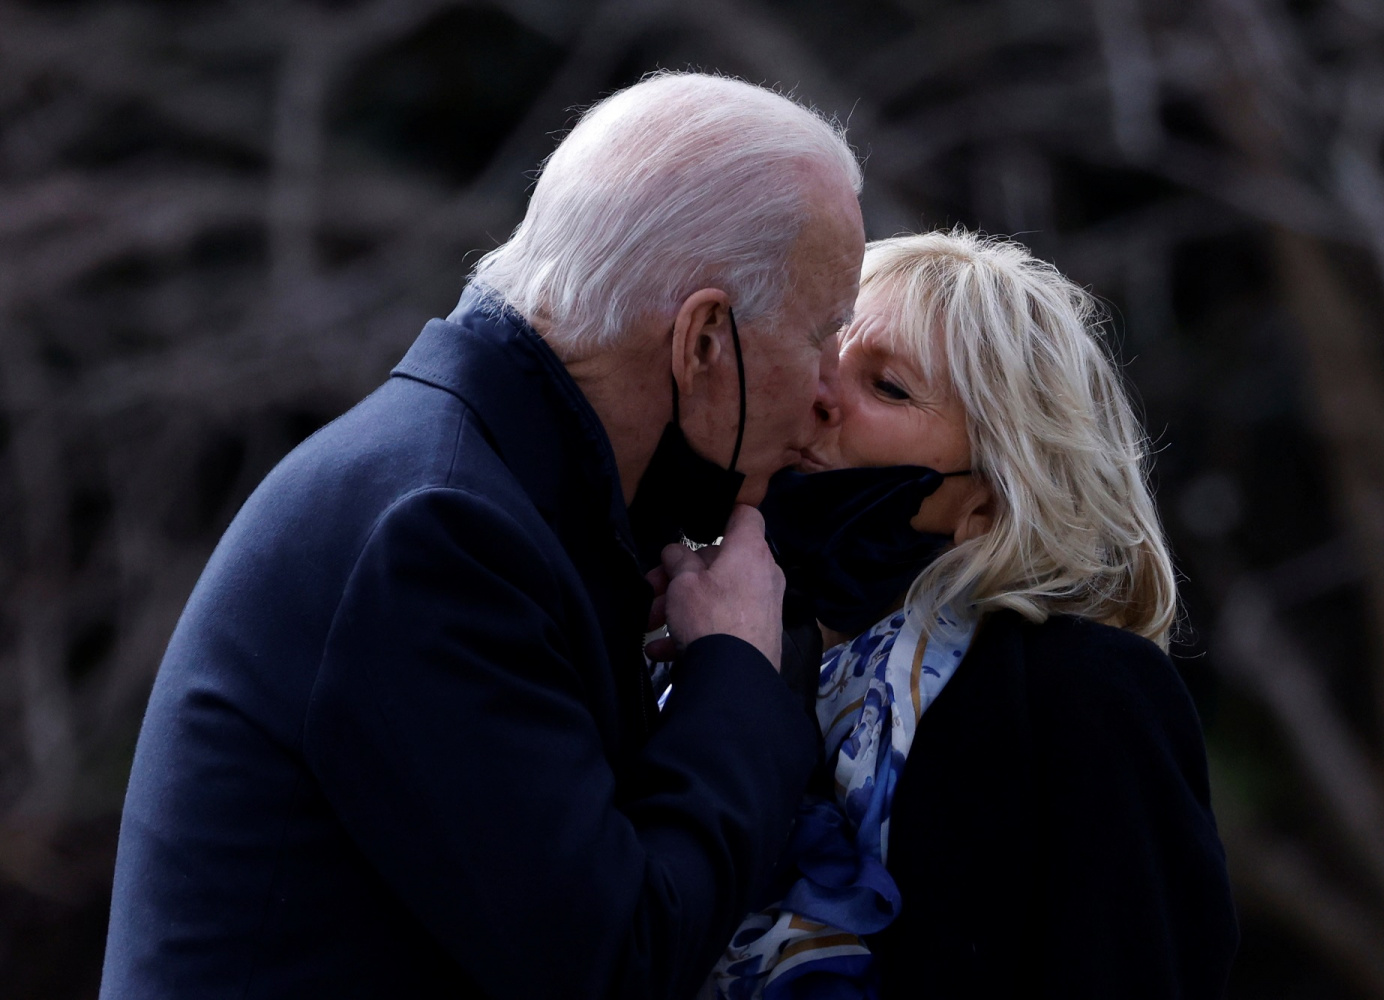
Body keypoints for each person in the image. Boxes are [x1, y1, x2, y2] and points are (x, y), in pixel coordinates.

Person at [101, 72, 866, 1000]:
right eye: (823, 334)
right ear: (704, 339)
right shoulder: (439, 532)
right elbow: (618, 962)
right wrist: (737, 672)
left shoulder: (491, 494)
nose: (832, 392)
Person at [713, 230, 1238, 998]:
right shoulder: (693, 663)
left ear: (989, 500)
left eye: (887, 386)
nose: (821, 395)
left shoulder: (1082, 690)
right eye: (822, 355)